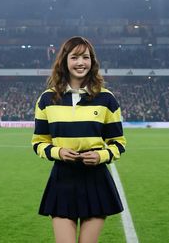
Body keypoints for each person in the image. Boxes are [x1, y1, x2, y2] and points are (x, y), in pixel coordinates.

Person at [32, 36, 126, 243]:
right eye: (74, 57)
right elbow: (38, 142)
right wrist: (59, 152)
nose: (80, 62)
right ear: (65, 61)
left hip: (95, 179)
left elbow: (119, 144)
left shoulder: (107, 99)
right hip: (62, 178)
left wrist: (101, 155)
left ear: (92, 61)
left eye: (85, 57)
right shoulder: (47, 99)